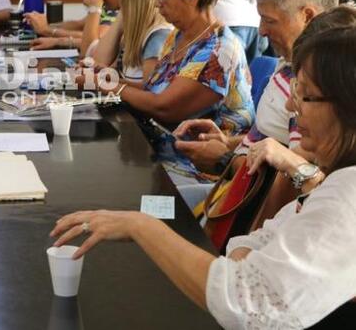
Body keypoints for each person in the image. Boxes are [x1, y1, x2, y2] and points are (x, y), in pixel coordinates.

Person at [51, 25, 356, 329]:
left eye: (305, 96)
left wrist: (141, 225)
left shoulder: (346, 197)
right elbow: (253, 242)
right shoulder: (337, 183)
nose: (291, 106)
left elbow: (245, 304)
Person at [174, 0, 338, 170]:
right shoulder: (289, 62)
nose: (261, 31)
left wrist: (223, 159)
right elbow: (272, 145)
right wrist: (228, 142)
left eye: (269, 21)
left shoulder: (313, 87)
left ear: (307, 16)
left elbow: (291, 176)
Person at [100, 0, 254, 136]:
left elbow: (164, 108)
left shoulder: (220, 51)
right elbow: (155, 89)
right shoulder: (178, 36)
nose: (157, 3)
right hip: (164, 142)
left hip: (197, 156)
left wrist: (107, 85)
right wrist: (110, 79)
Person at [83, 0, 172, 85]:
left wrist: (107, 81)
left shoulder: (158, 36)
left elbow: (150, 93)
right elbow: (99, 61)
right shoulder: (133, 26)